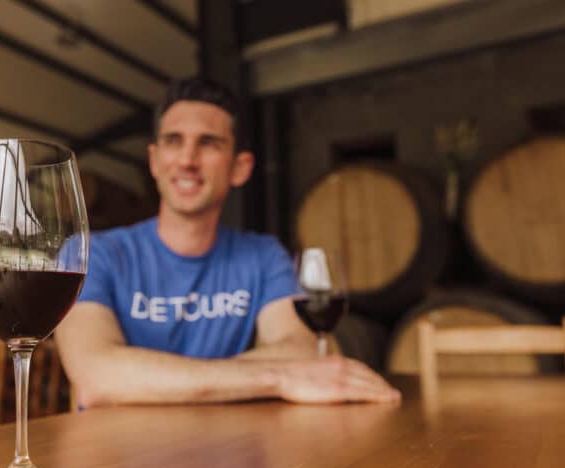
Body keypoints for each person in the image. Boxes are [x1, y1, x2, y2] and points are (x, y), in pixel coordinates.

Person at [55, 77, 400, 407]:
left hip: (230, 452)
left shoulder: (264, 256)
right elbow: (96, 376)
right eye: (174, 141)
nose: (188, 160)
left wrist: (148, 379)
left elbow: (300, 351)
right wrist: (276, 378)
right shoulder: (92, 254)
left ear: (240, 167)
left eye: (208, 143)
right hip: (110, 456)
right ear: (155, 161)